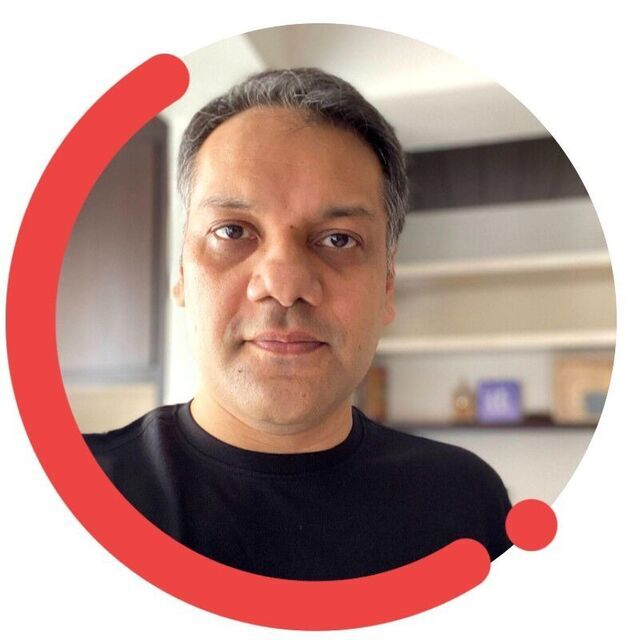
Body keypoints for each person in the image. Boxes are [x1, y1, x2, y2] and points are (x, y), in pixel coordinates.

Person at [84, 67, 512, 580]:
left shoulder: (466, 506)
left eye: (338, 239)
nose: (284, 285)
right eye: (232, 231)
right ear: (180, 275)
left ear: (387, 286)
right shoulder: (74, 497)